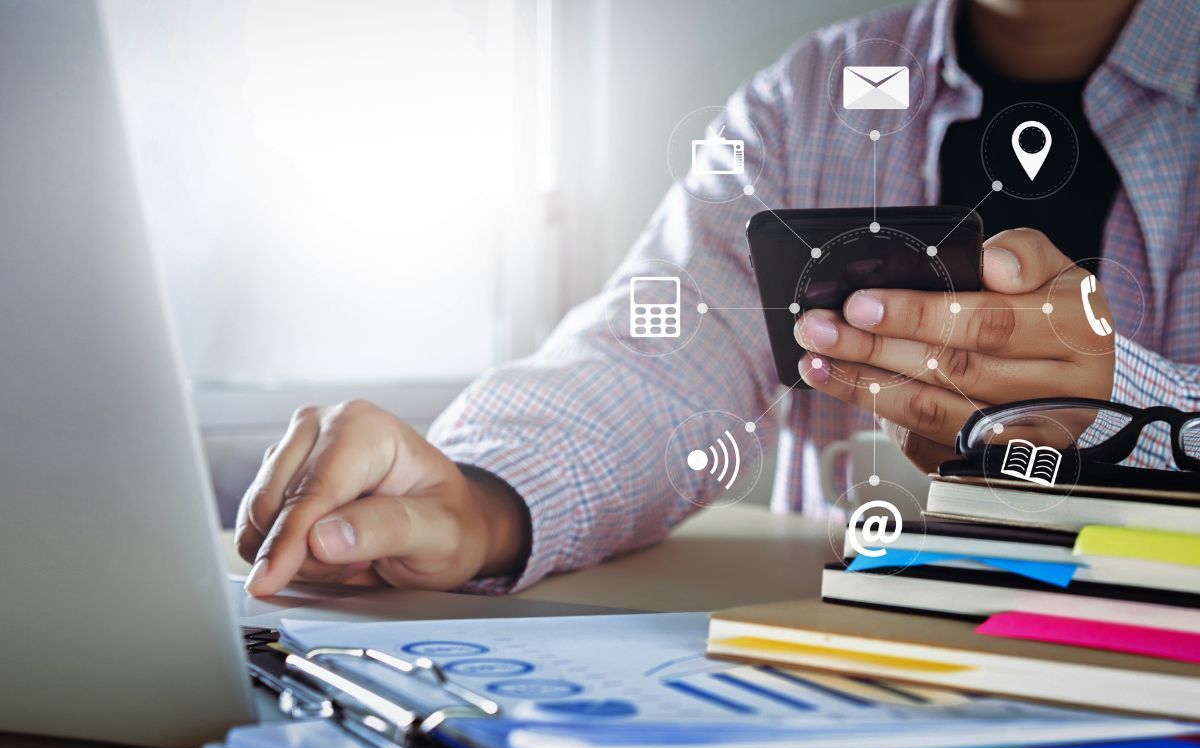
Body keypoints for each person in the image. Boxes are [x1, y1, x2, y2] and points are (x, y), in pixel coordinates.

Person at [237, 0, 1199, 597]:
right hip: (844, 674)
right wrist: (485, 500)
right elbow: (657, 363)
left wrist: (1132, 415)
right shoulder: (815, 94)